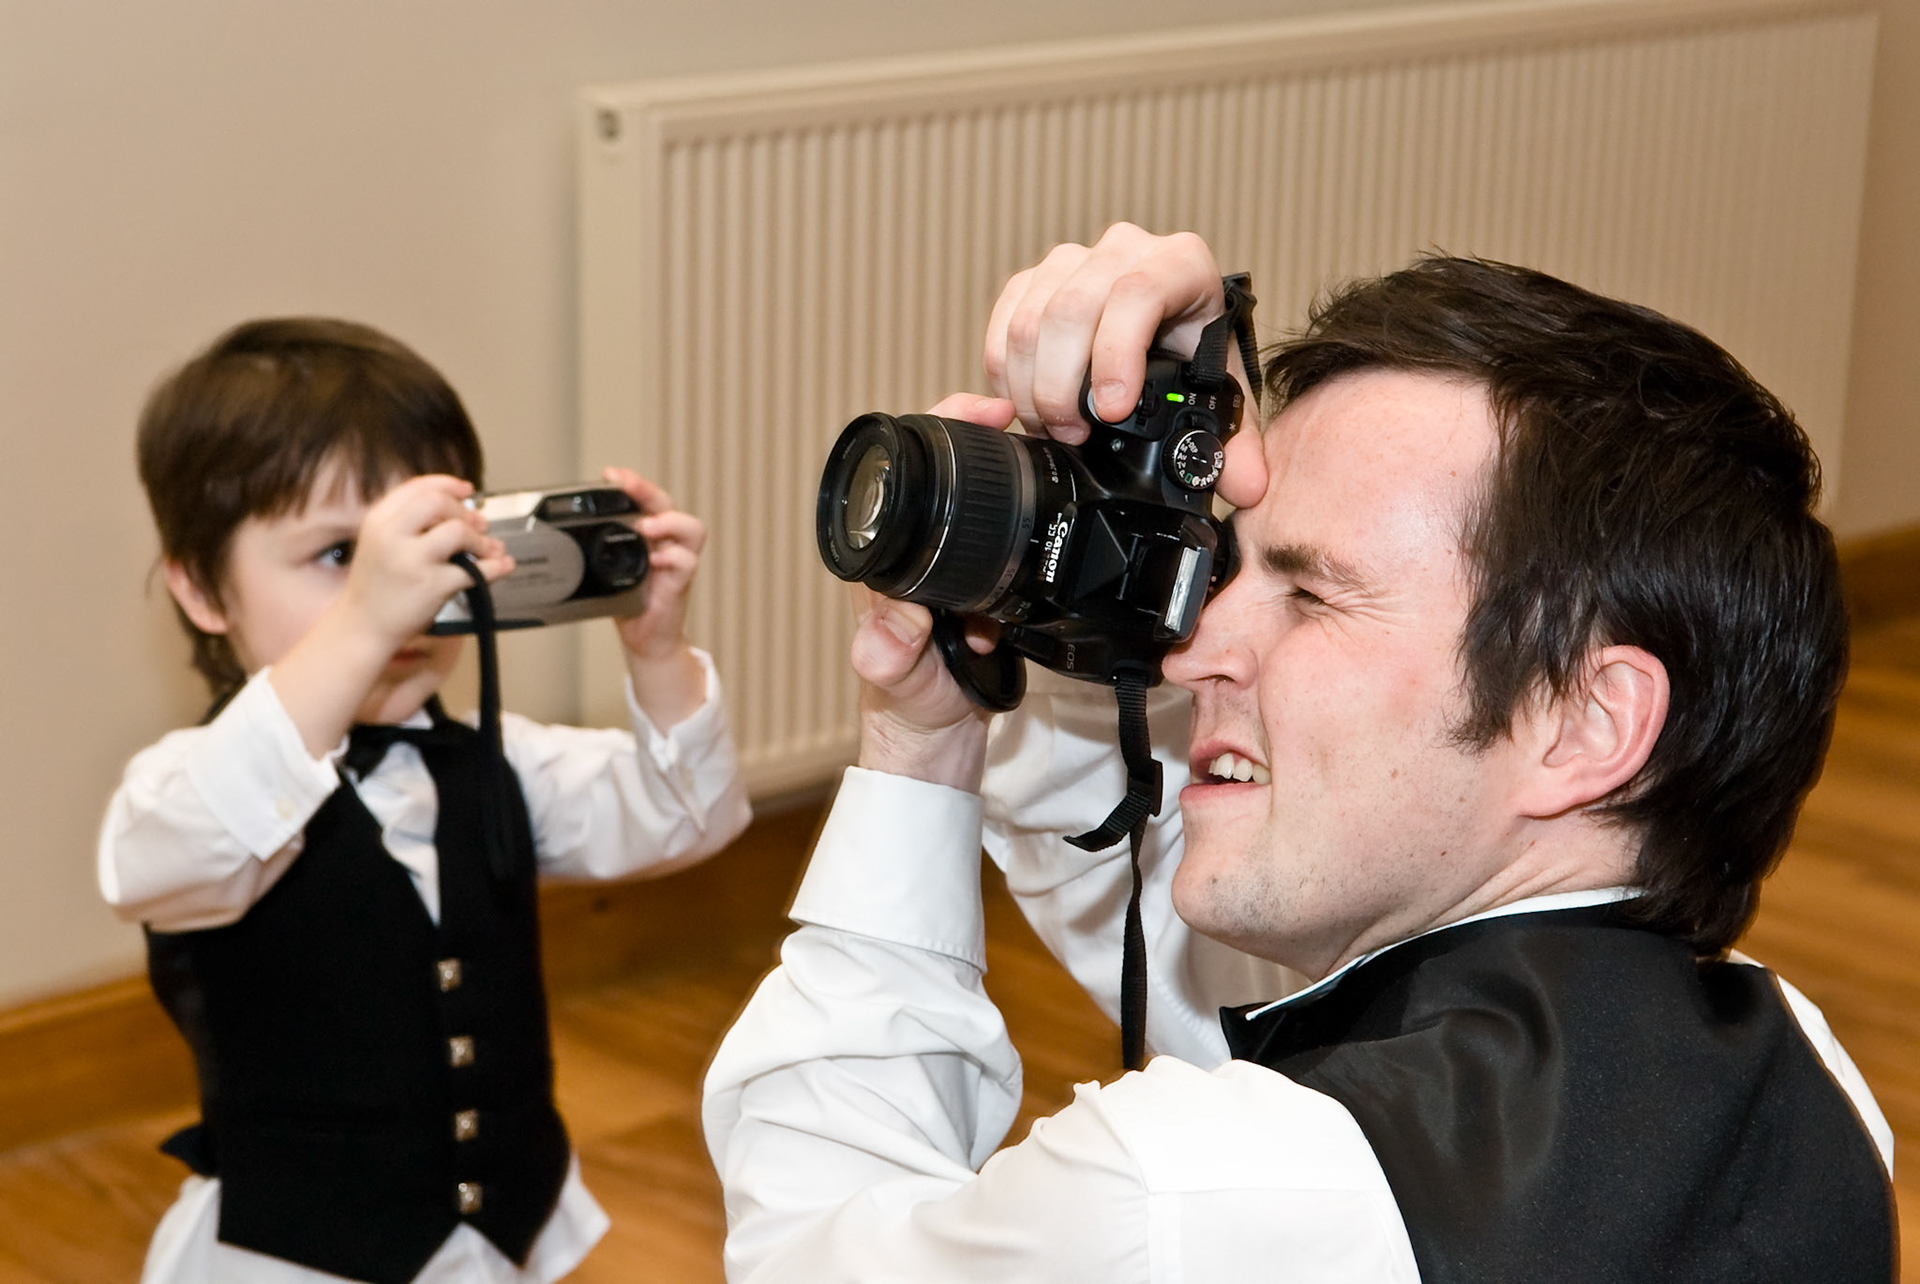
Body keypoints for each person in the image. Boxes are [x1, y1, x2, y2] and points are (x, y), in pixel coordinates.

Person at [703, 224, 1898, 1280]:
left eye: (1313, 593)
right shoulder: (1800, 1084)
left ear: (1586, 721)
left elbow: (808, 1252)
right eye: (1225, 566)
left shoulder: (1174, 1204)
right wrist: (1083, 559)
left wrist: (915, 756)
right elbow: (1232, 962)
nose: (1192, 649)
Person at [100, 318, 752, 1284]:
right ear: (202, 591)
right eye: (341, 556)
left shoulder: (496, 756)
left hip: (495, 1242)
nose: (400, 592)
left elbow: (685, 817)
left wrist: (658, 657)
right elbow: (170, 858)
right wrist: (361, 626)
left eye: (419, 546)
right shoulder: (185, 786)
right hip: (291, 1258)